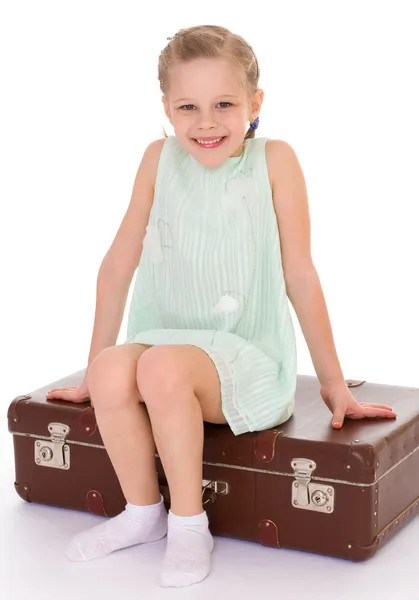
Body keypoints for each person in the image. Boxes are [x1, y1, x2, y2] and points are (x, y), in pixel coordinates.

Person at [45, 24, 396, 587]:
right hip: (169, 341)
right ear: (166, 108)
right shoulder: (157, 159)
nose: (206, 122)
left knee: (160, 366)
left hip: (247, 356)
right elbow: (117, 265)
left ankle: (190, 523)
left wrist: (333, 382)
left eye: (224, 104)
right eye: (188, 106)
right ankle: (143, 513)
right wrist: (91, 369)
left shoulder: (274, 161)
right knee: (113, 369)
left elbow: (300, 275)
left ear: (255, 104)